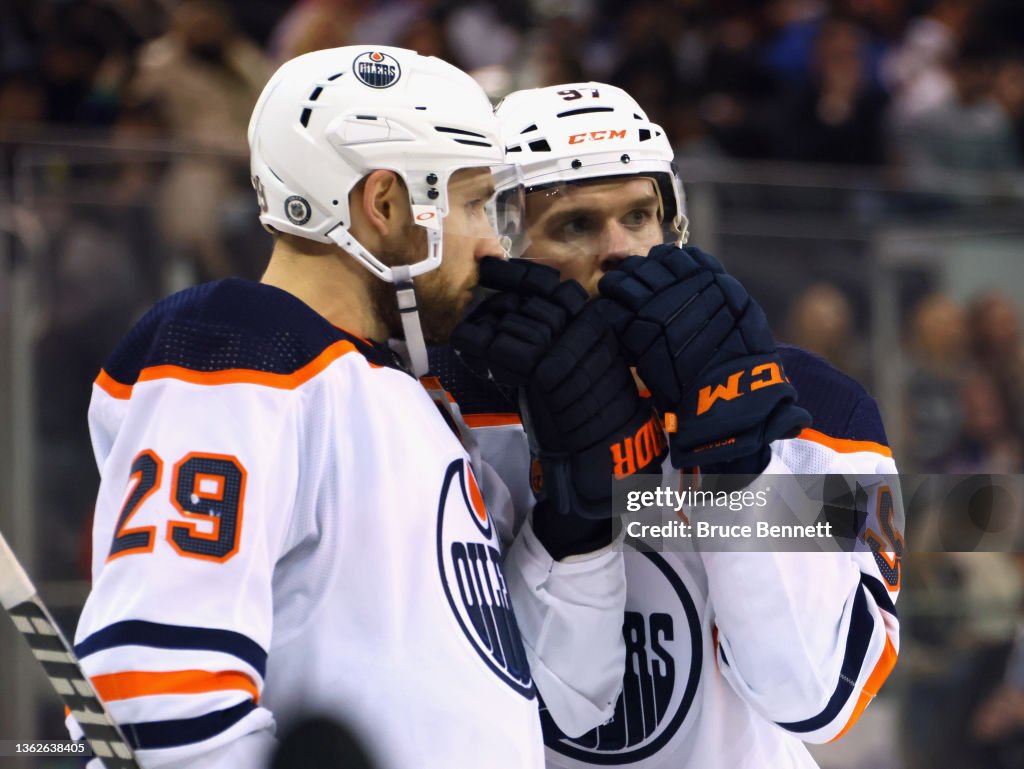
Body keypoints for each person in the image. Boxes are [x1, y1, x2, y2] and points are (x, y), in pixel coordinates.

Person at [67, 50, 631, 769]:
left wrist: (584, 519)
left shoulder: (422, 402)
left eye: (640, 215)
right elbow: (153, 687)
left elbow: (565, 701)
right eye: (471, 203)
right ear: (386, 204)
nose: (493, 243)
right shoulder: (243, 345)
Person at [434, 81, 902, 768]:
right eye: (575, 224)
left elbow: (818, 695)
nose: (621, 250)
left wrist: (737, 466)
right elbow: (529, 710)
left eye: (639, 215)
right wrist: (575, 515)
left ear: (672, 222)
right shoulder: (442, 407)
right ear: (503, 245)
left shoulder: (816, 409)